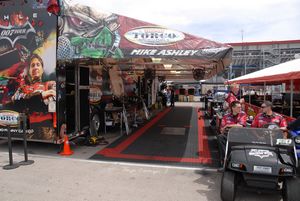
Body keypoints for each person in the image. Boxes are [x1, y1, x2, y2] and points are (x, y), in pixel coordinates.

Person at [11, 54, 56, 140]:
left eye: (38, 65)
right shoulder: (22, 88)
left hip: (47, 128)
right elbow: (16, 101)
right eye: (32, 65)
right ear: (29, 70)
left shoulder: (50, 84)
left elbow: (50, 105)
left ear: (42, 69)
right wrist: (42, 95)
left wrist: (27, 102)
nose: (35, 67)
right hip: (28, 128)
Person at [218, 101, 247, 168]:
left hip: (240, 135)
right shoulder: (226, 116)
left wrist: (228, 126)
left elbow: (241, 125)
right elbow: (222, 129)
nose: (240, 109)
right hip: (228, 135)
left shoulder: (243, 114)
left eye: (240, 107)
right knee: (220, 137)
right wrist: (226, 128)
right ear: (233, 108)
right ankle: (224, 160)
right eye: (238, 107)